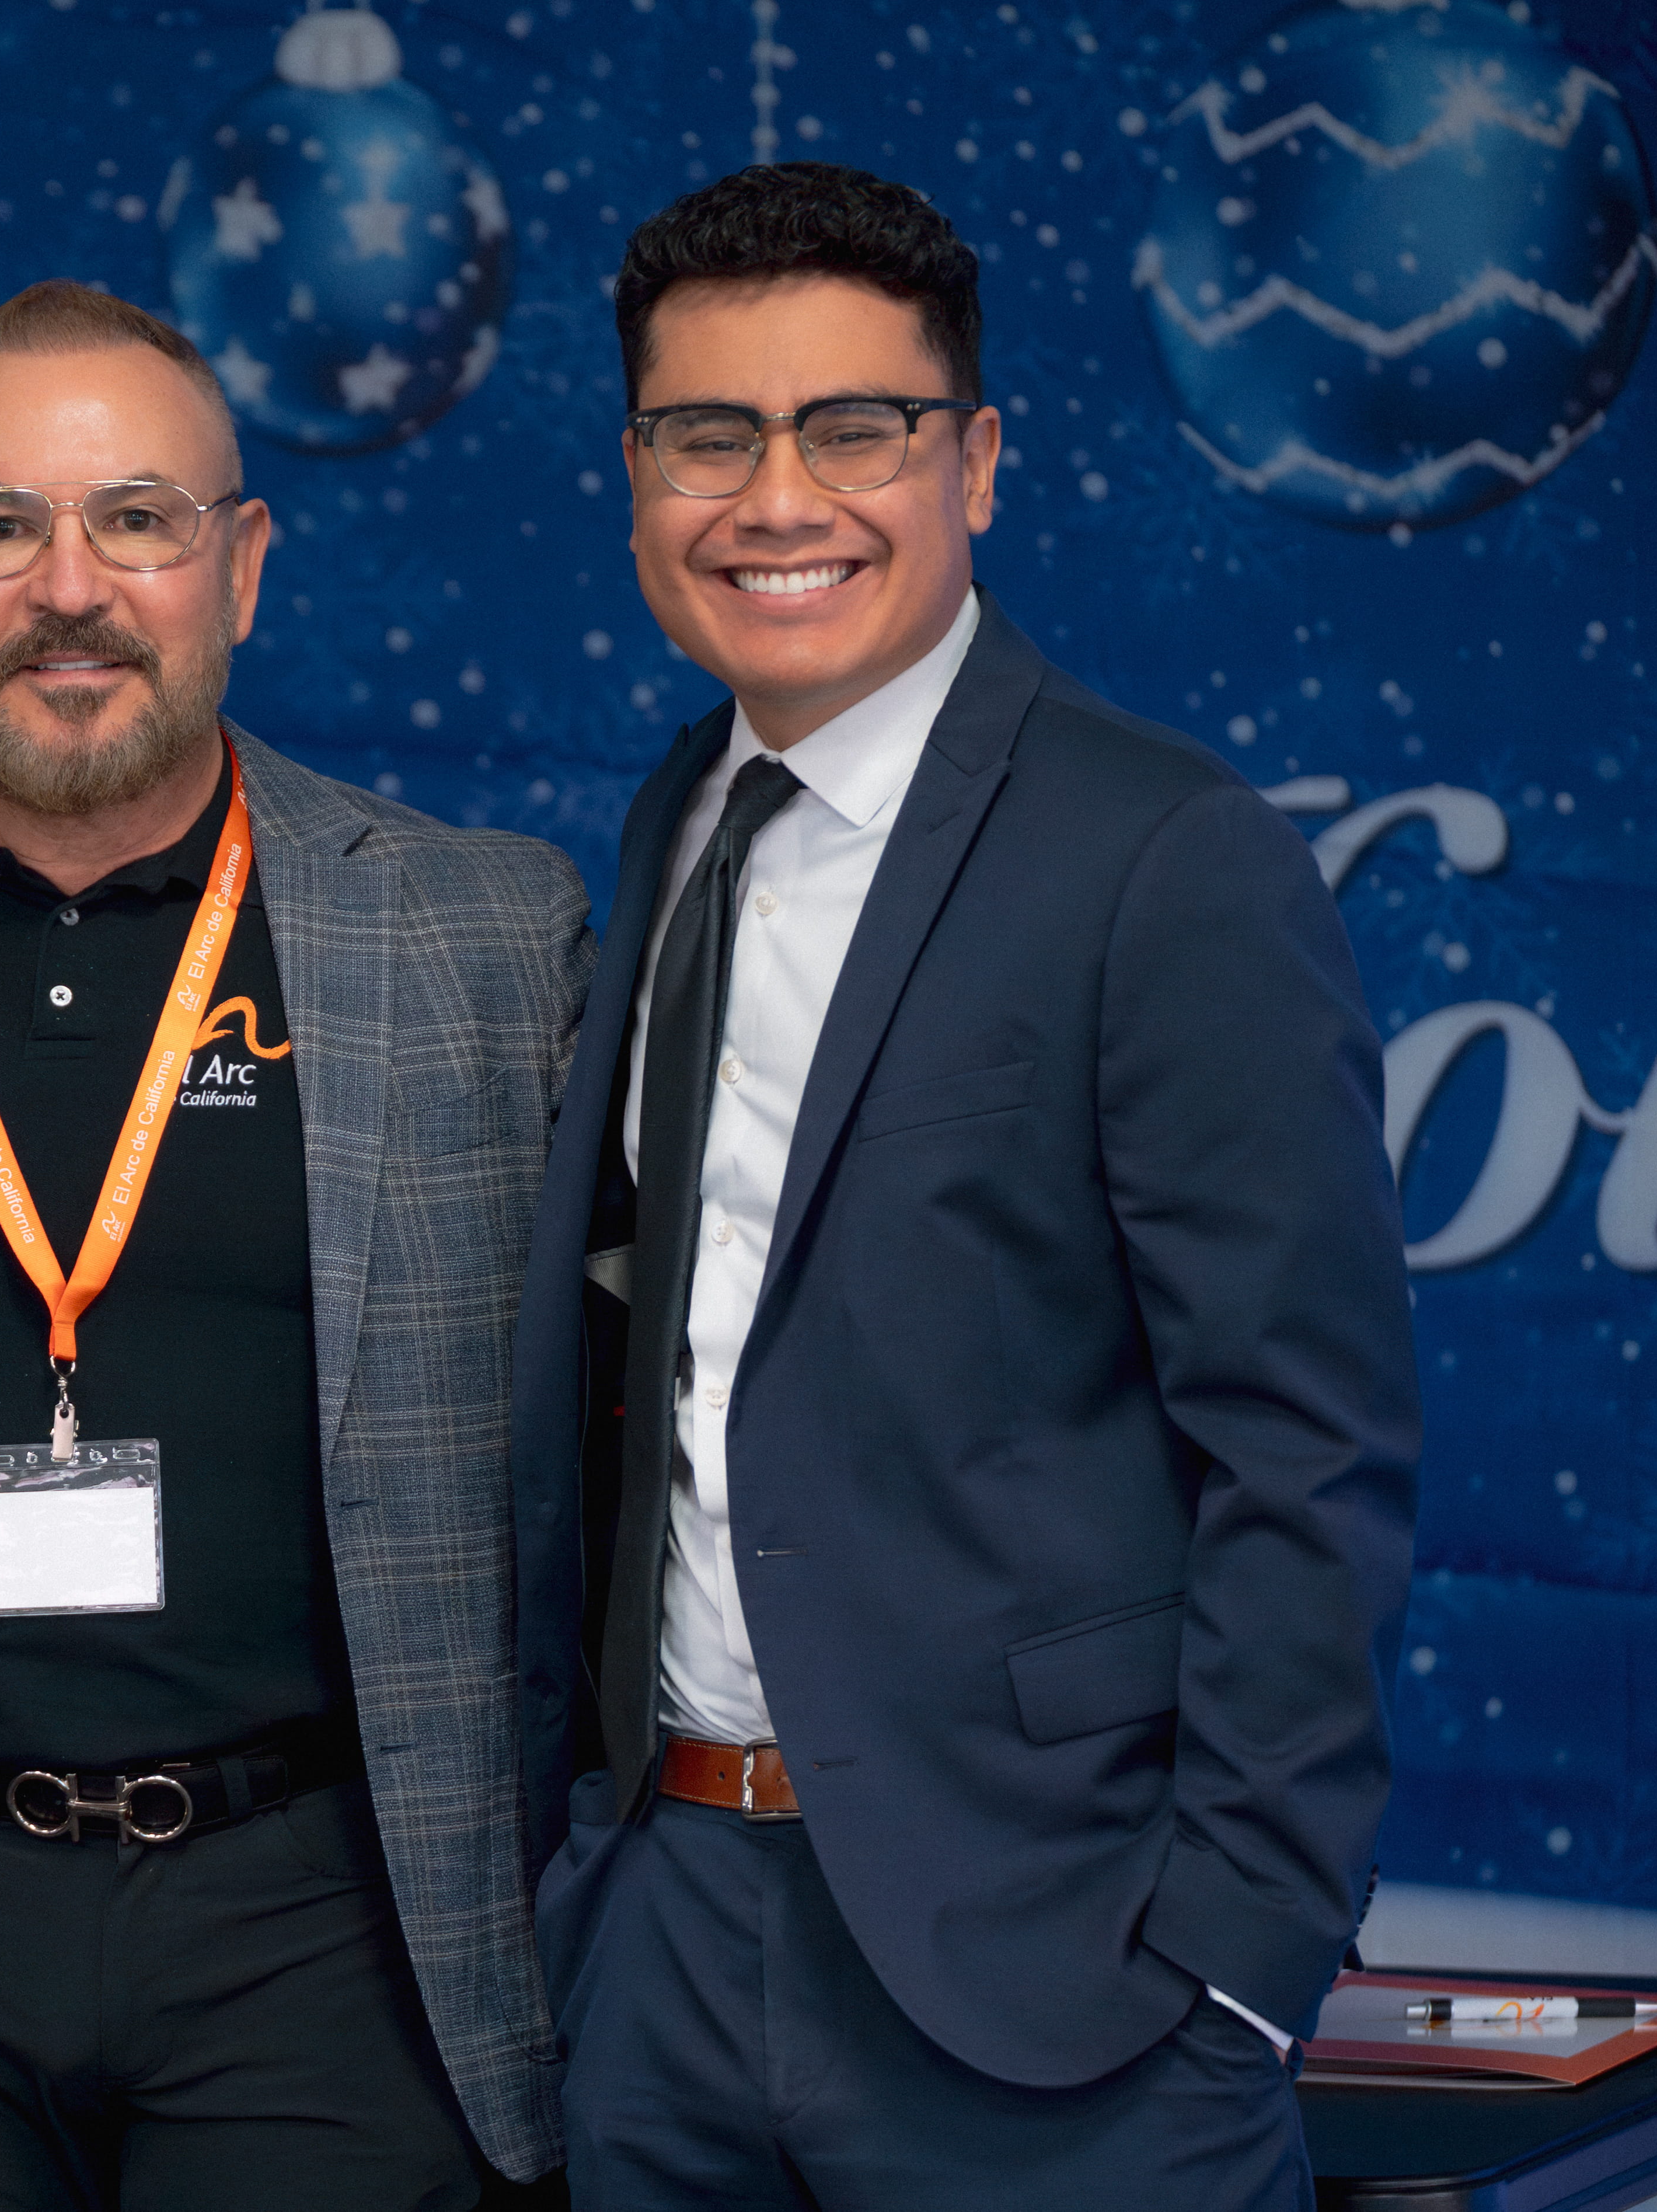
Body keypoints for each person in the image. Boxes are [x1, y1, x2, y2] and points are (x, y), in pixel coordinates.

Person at [505, 163, 1421, 2207]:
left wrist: (1239, 1963)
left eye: (856, 426)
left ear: (978, 461)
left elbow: (1304, 1448)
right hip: (657, 1941)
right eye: (707, 435)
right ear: (636, 473)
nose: (778, 498)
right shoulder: (674, 817)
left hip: (1053, 1986)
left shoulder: (1161, 854)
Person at [0, 281, 588, 2208]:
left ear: (241, 564)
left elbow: (668, 1398)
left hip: (325, 1926)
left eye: (137, 518)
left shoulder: (485, 937)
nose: (69, 585)